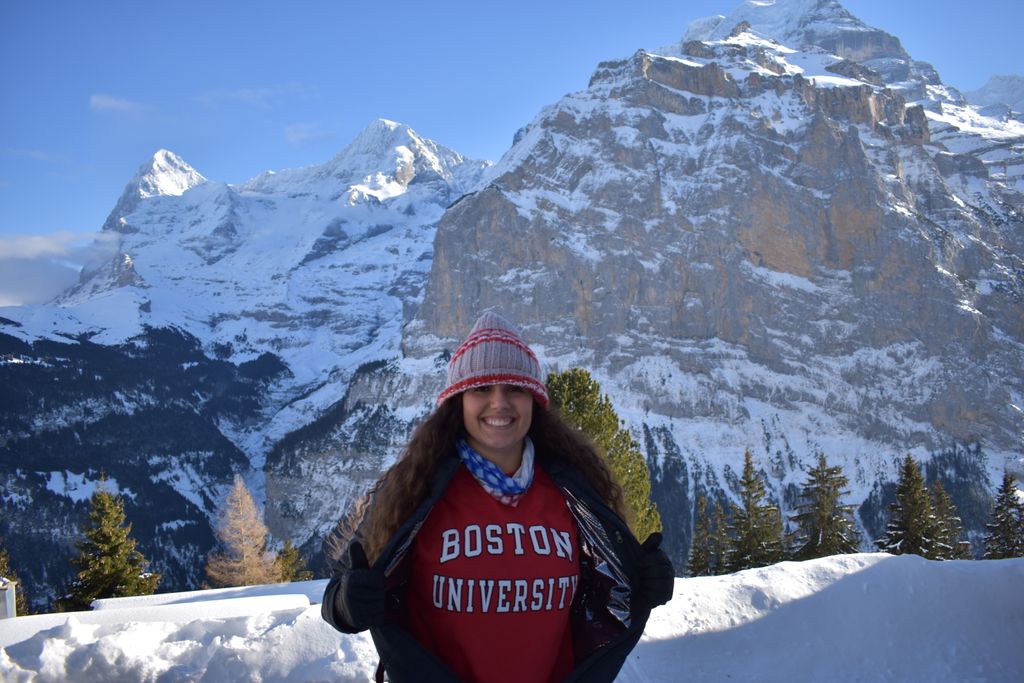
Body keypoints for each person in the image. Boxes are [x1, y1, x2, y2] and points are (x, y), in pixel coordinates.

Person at [322, 310, 675, 682]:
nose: (499, 403)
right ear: (458, 401)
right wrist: (348, 602)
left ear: (534, 401)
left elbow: (605, 595)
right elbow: (338, 594)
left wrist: (644, 582)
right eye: (481, 389)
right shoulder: (413, 491)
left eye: (514, 388)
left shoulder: (575, 491)